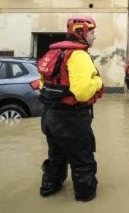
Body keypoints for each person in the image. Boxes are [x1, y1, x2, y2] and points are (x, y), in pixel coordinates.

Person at [38, 16, 103, 202]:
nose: (94, 37)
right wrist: (98, 81)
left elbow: (42, 82)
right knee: (82, 159)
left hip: (49, 116)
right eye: (92, 33)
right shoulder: (79, 55)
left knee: (56, 155)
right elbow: (82, 93)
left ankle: (49, 188)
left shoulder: (53, 52)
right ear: (81, 32)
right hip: (72, 118)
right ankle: (85, 197)